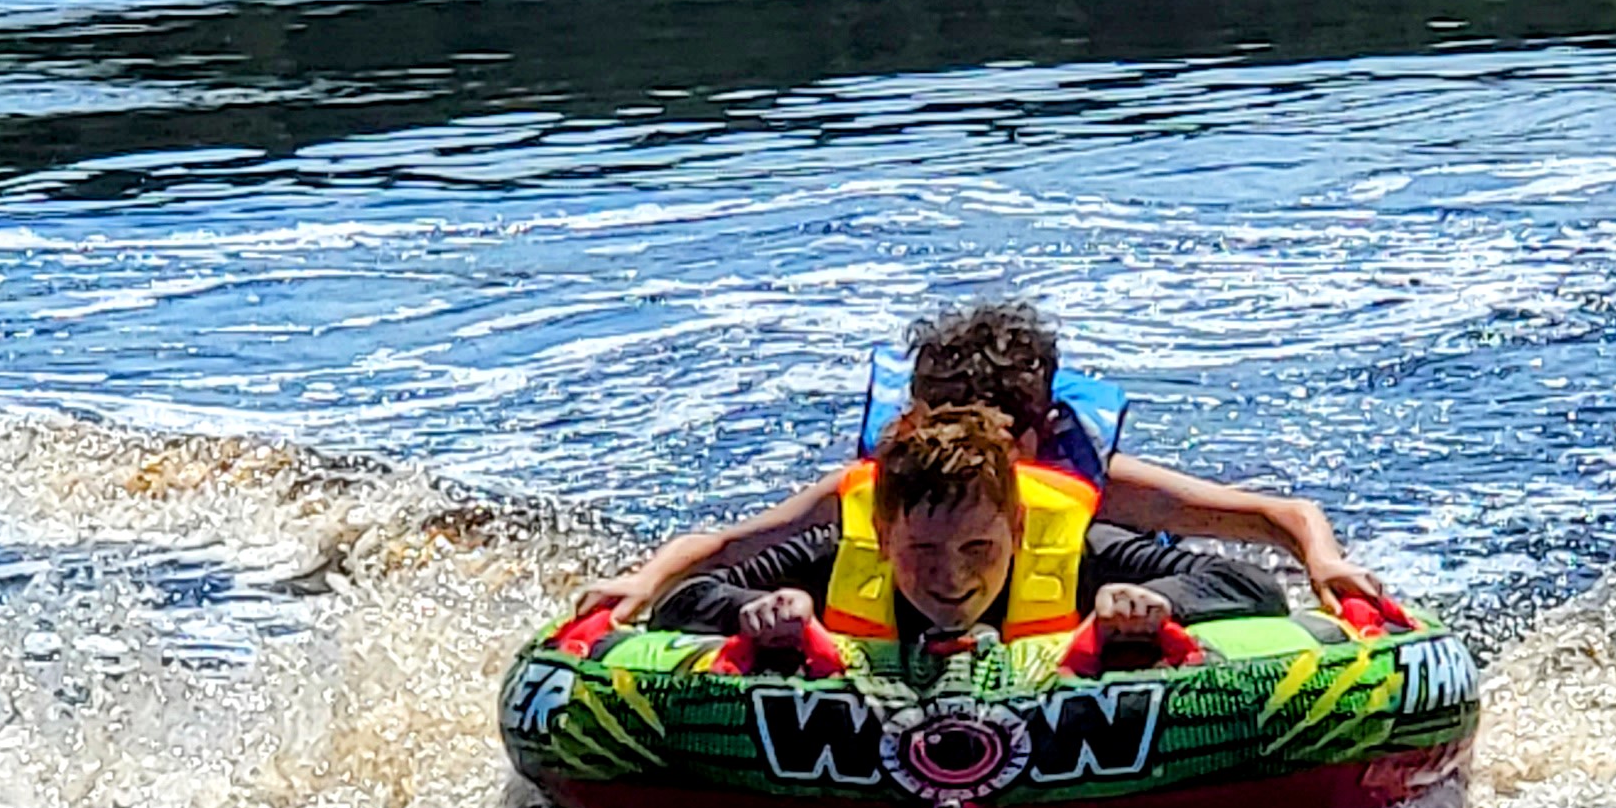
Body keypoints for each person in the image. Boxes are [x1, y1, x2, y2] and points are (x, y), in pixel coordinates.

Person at [576, 298, 1382, 630]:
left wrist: (1325, 563)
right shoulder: (873, 504)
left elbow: (1276, 521)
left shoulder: (1096, 498)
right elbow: (723, 551)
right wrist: (646, 587)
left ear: (1038, 431)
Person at [648, 400, 1291, 671]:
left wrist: (1158, 603)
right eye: (922, 551)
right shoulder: (839, 554)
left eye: (978, 550)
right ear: (883, 532)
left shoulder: (1075, 552)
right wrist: (752, 611)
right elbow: (679, 602)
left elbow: (1253, 586)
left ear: (1016, 528)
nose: (952, 577)